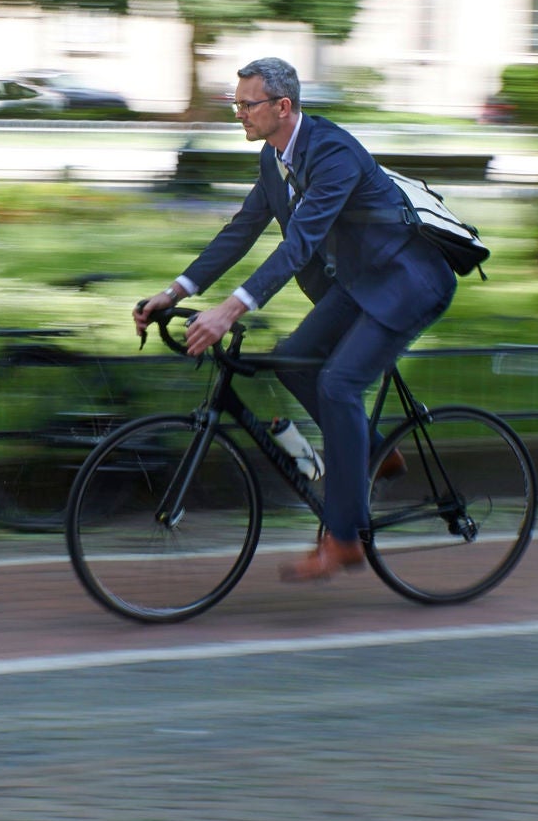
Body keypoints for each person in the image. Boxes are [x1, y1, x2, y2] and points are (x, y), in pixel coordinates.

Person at [133, 57, 457, 582]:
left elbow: (297, 245)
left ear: (283, 106)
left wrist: (229, 310)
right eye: (235, 104)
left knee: (337, 384)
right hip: (360, 281)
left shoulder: (332, 154)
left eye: (247, 104)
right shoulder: (274, 157)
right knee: (290, 360)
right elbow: (241, 231)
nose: (239, 113)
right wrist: (175, 292)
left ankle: (344, 538)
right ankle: (375, 454)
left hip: (406, 283)